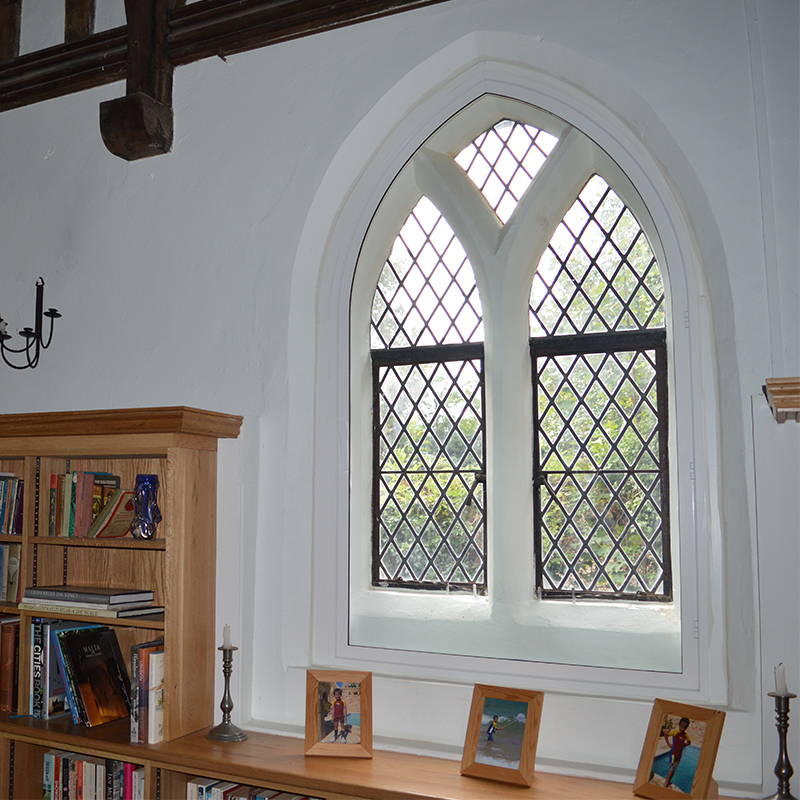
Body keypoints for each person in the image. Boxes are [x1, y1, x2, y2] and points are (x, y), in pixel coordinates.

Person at [663, 717, 692, 788]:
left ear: (686, 728)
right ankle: (666, 783)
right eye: (681, 727)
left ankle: (668, 780)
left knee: (674, 769)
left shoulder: (686, 735)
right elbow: (666, 734)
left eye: (684, 728)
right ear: (679, 725)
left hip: (679, 755)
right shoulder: (675, 733)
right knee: (672, 768)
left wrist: (683, 745)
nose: (682, 729)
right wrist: (669, 744)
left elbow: (689, 742)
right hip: (673, 753)